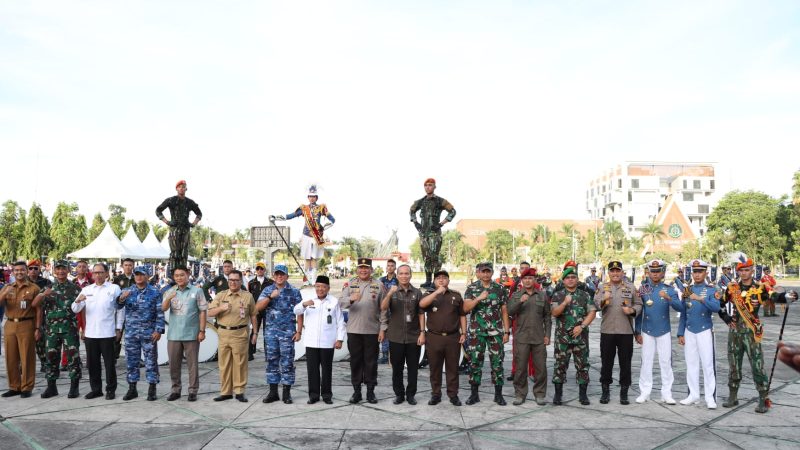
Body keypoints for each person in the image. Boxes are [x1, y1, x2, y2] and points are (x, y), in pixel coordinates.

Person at [719, 257, 798, 413]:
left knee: (757, 365)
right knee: (734, 365)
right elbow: (718, 304)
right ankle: (733, 396)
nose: (743, 273)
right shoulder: (732, 288)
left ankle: (763, 398)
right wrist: (726, 318)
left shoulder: (761, 287)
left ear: (752, 271)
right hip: (734, 333)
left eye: (747, 270)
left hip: (751, 333)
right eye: (741, 270)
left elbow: (775, 297)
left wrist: (788, 297)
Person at [72, 263, 124, 400]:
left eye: (101, 272)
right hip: (91, 333)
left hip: (108, 332)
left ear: (107, 274)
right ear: (92, 274)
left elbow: (120, 309)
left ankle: (110, 389)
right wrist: (78, 301)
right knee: (93, 364)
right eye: (95, 273)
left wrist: (119, 328)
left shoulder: (114, 288)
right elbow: (74, 309)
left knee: (109, 364)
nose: (98, 275)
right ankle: (96, 389)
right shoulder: (87, 289)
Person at [593, 260, 642, 405]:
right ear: (608, 273)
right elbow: (596, 305)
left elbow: (639, 303)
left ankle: (624, 392)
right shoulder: (602, 287)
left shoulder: (631, 287)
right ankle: (605, 390)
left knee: (625, 363)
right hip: (607, 331)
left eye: (617, 271)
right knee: (606, 362)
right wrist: (604, 298)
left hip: (625, 331)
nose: (615, 273)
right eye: (612, 271)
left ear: (622, 272)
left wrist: (632, 310)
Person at [634, 259, 682, 404]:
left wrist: (668, 298)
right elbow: (639, 311)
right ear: (648, 272)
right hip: (647, 329)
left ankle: (666, 393)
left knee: (666, 361)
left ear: (663, 272)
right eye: (652, 271)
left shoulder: (669, 289)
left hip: (664, 330)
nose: (655, 274)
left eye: (658, 271)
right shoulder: (643, 289)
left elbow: (680, 307)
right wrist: (637, 332)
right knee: (646, 362)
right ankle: (645, 392)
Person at [463, 262, 510, 406]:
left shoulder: (500, 288)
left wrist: (507, 331)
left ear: (491, 273)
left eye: (488, 271)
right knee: (475, 363)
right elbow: (465, 309)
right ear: (478, 272)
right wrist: (478, 298)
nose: (485, 274)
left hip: (496, 332)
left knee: (497, 363)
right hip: (477, 332)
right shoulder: (472, 288)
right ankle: (474, 394)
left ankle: (498, 395)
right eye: (483, 271)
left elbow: (504, 311)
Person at [677, 259, 721, 409]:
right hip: (689, 331)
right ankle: (693, 394)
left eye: (700, 271)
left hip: (704, 330)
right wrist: (680, 332)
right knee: (691, 364)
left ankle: (710, 397)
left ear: (705, 273)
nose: (697, 274)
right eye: (694, 271)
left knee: (708, 365)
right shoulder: (687, 290)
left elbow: (716, 308)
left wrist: (701, 299)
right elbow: (684, 312)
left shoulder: (711, 290)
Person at [116, 266, 165, 401]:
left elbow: (160, 313)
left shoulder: (155, 292)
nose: (138, 277)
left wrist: (158, 330)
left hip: (149, 333)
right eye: (136, 275)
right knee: (131, 361)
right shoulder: (128, 291)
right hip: (131, 333)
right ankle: (132, 388)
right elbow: (117, 306)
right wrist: (121, 299)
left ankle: (152, 388)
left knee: (151, 361)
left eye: (141, 275)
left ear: (147, 276)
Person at [340, 258, 385, 404]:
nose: (363, 270)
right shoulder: (350, 284)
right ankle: (357, 391)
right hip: (354, 330)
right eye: (361, 268)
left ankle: (371, 391)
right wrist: (351, 299)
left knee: (371, 362)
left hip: (372, 330)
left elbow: (384, 309)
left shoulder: (379, 285)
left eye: (366, 268)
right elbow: (340, 302)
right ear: (357, 270)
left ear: (371, 270)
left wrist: (383, 329)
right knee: (356, 362)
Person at [550, 263, 596, 405]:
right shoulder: (558, 295)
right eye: (568, 277)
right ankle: (558, 395)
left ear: (577, 279)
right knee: (560, 366)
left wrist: (582, 326)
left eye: (573, 277)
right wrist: (564, 303)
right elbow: (554, 313)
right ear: (563, 280)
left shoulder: (584, 295)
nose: (570, 280)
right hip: (562, 338)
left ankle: (583, 395)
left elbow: (592, 312)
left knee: (583, 366)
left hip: (580, 337)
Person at [208, 270, 257, 402]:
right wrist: (221, 308)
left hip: (240, 334)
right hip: (223, 333)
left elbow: (253, 314)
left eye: (236, 280)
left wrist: (255, 333)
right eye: (230, 280)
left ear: (241, 281)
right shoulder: (221, 295)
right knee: (224, 364)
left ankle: (239, 391)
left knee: (240, 364)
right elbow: (210, 312)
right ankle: (226, 392)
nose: (233, 283)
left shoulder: (247, 296)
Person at [295, 275, 345, 404]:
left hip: (328, 342)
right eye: (318, 286)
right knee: (312, 370)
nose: (320, 289)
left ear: (328, 288)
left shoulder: (333, 301)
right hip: (311, 342)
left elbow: (340, 322)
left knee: (327, 369)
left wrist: (340, 339)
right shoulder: (308, 300)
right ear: (315, 287)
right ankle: (314, 395)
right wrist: (304, 304)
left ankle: (327, 395)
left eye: (323, 287)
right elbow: (296, 310)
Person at [257, 264, 303, 404]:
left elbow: (300, 312)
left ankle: (286, 393)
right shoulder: (268, 290)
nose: (279, 276)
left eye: (282, 274)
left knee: (288, 362)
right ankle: (273, 392)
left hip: (288, 333)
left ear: (287, 276)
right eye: (277, 274)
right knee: (272, 362)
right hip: (271, 334)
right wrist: (270, 297)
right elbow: (258, 307)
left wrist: (299, 331)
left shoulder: (294, 291)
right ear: (273, 276)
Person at [419, 270, 466, 406]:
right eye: (438, 278)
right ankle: (436, 394)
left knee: (453, 368)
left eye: (444, 278)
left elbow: (462, 315)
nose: (441, 280)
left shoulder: (456, 296)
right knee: (435, 368)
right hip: (434, 337)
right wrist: (436, 292)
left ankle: (453, 394)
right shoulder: (429, 295)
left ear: (448, 281)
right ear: (434, 281)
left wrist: (463, 333)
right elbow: (422, 305)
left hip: (452, 337)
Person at [272, 185, 335, 285]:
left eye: (314, 196)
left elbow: (332, 219)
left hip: (316, 236)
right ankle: (306, 279)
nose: (312, 198)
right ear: (308, 197)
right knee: (307, 258)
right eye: (310, 196)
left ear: (316, 197)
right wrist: (276, 217)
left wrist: (323, 228)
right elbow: (291, 215)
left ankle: (313, 278)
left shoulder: (321, 208)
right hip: (306, 235)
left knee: (314, 258)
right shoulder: (304, 208)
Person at [380, 264, 424, 405]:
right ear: (397, 275)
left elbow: (421, 313)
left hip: (413, 336)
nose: (404, 276)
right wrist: (389, 293)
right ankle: (399, 394)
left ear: (411, 275)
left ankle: (411, 395)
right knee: (397, 368)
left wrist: (422, 333)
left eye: (407, 273)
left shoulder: (417, 293)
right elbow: (383, 307)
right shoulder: (391, 291)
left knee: (413, 368)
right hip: (396, 336)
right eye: (401, 273)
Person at [162, 266, 207, 402]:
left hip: (191, 334)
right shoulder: (170, 291)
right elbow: (163, 308)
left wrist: (202, 331)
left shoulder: (197, 291)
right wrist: (169, 298)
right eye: (176, 276)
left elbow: (203, 312)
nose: (179, 278)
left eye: (182, 275)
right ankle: (175, 389)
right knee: (173, 365)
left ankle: (193, 390)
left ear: (188, 275)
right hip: (174, 334)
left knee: (192, 364)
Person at [39, 260, 83, 399]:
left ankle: (74, 387)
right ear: (54, 271)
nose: (61, 272)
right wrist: (38, 328)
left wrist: (84, 328)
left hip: (69, 329)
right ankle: (51, 387)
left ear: (68, 270)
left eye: (63, 269)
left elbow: (82, 310)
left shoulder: (75, 289)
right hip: (51, 330)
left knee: (73, 357)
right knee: (51, 357)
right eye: (58, 269)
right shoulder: (48, 288)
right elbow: (38, 308)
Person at [507, 267, 551, 405]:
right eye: (525, 278)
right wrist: (520, 301)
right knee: (520, 369)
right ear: (522, 280)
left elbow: (547, 317)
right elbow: (510, 311)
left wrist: (547, 335)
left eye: (530, 278)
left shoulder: (542, 295)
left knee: (541, 368)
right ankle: (520, 394)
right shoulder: (516, 295)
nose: (527, 281)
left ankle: (540, 394)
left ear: (534, 280)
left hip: (539, 337)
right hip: (521, 337)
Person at [0, 261, 42, 397]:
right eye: (16, 270)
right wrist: (3, 294)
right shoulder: (7, 287)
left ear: (26, 271)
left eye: (22, 270)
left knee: (27, 357)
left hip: (27, 324)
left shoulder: (34, 288)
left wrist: (37, 328)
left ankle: (26, 387)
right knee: (11, 357)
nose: (19, 272)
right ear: (13, 272)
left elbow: (39, 310)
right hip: (10, 324)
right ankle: (14, 386)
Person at [409, 178, 456, 289]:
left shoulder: (440, 201)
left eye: (430, 185)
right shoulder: (420, 201)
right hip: (423, 234)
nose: (428, 187)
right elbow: (411, 210)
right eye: (426, 185)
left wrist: (441, 224)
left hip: (434, 233)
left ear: (434, 187)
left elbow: (453, 211)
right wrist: (415, 222)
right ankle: (428, 280)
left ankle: (435, 281)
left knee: (434, 257)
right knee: (426, 257)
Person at [156, 180, 203, 276]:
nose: (182, 188)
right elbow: (158, 211)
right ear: (177, 188)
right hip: (174, 229)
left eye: (183, 186)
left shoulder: (189, 202)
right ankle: (174, 275)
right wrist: (167, 222)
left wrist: (193, 223)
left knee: (184, 253)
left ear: (186, 188)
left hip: (185, 229)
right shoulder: (171, 200)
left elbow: (199, 213)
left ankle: (182, 274)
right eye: (180, 187)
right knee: (174, 253)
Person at [28, 259, 53, 373]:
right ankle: (23, 365)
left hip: (41, 315)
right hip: (26, 315)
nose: (33, 271)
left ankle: (44, 362)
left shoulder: (46, 282)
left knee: (41, 341)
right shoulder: (23, 281)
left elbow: (47, 298)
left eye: (35, 268)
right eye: (30, 268)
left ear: (39, 270)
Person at [247, 262, 273, 361]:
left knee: (267, 332)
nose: (259, 271)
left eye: (261, 269)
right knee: (254, 330)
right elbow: (249, 297)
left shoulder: (270, 282)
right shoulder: (251, 283)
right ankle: (250, 352)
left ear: (264, 270)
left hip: (267, 309)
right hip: (256, 310)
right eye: (257, 269)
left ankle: (268, 354)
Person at [112, 258, 136, 361]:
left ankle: (134, 358)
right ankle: (114, 357)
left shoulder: (137, 278)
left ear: (133, 266)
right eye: (126, 265)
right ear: (122, 266)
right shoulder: (117, 279)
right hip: (120, 310)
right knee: (117, 334)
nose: (128, 267)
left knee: (133, 336)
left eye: (130, 265)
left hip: (133, 311)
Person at [378, 259, 399, 364]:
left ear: (395, 267)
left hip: (395, 309)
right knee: (383, 330)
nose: (390, 267)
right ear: (386, 268)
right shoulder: (381, 280)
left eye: (392, 266)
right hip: (383, 308)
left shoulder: (399, 280)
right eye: (388, 266)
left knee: (394, 331)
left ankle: (393, 354)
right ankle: (385, 354)